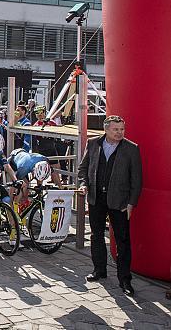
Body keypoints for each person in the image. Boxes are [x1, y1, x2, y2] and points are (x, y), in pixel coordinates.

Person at [78, 115, 142, 296]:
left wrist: (131, 204)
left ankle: (125, 280)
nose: (120, 132)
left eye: (122, 129)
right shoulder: (93, 144)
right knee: (96, 235)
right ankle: (99, 270)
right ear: (106, 129)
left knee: (122, 240)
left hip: (120, 202)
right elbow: (83, 168)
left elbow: (137, 180)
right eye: (116, 129)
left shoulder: (131, 149)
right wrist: (83, 184)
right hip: (96, 198)